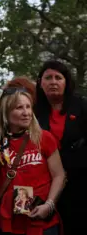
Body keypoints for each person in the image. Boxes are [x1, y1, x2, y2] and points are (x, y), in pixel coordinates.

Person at [0, 88, 65, 235]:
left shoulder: (43, 137)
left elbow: (59, 175)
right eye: (19, 108)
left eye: (28, 107)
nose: (26, 113)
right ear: (5, 112)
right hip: (10, 219)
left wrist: (49, 205)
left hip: (41, 216)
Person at [33, 61, 87, 235]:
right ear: (41, 83)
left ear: (66, 82)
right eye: (48, 78)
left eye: (58, 77)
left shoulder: (82, 106)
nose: (53, 82)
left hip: (79, 185)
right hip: (45, 187)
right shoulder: (32, 112)